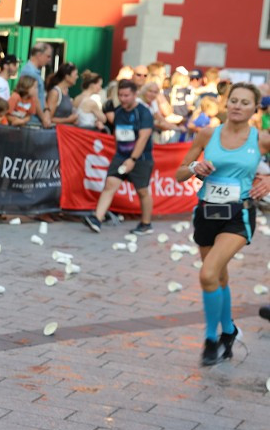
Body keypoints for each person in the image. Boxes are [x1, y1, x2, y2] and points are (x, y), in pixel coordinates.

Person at [175, 83, 270, 366]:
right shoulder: (207, 134)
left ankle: (210, 339)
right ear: (225, 104)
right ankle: (229, 332)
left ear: (255, 108)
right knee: (219, 277)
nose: (238, 106)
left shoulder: (261, 139)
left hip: (238, 215)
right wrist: (194, 168)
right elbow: (180, 173)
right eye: (234, 101)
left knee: (207, 275)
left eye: (245, 102)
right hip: (206, 212)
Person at [84, 79, 155, 235]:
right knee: (110, 183)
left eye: (126, 95)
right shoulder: (119, 112)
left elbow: (143, 138)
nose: (123, 98)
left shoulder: (143, 112)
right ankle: (97, 218)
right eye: (120, 95)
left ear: (135, 94)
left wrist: (133, 159)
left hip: (140, 158)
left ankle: (146, 223)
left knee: (142, 191)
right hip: (121, 156)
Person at [18, 42, 53, 125]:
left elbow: (40, 95)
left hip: (36, 120)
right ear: (39, 55)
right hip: (32, 121)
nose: (49, 59)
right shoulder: (29, 71)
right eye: (48, 56)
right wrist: (44, 118)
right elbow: (34, 98)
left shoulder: (35, 71)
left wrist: (46, 111)